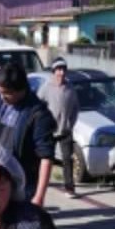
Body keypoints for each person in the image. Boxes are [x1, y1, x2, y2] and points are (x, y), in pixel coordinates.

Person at [0, 62, 56, 207]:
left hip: (21, 183)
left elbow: (46, 157)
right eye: (0, 92)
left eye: (6, 94)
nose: (2, 97)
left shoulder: (38, 114)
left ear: (20, 90)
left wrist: (39, 196)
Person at [37, 57, 79, 197]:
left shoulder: (70, 88)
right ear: (54, 71)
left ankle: (69, 188)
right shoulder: (46, 87)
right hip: (49, 130)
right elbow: (38, 105)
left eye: (63, 70)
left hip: (65, 130)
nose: (61, 73)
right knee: (45, 158)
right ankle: (39, 184)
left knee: (67, 159)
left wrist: (70, 124)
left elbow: (75, 108)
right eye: (58, 70)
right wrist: (42, 122)